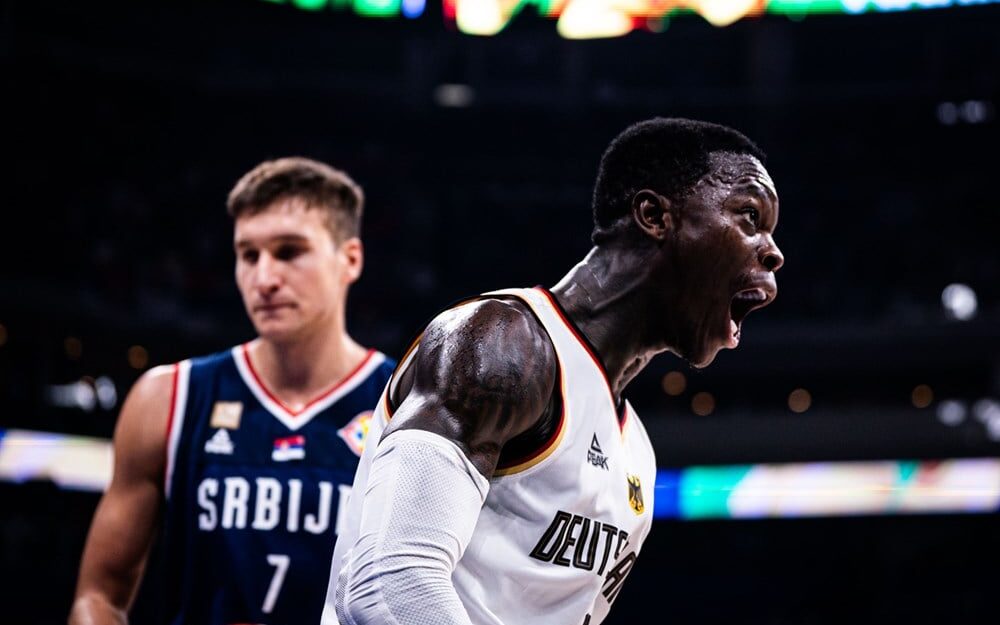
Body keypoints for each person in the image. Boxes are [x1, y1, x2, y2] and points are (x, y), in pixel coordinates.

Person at [325, 118, 784, 625]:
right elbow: (388, 583)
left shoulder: (637, 452)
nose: (773, 251)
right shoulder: (500, 346)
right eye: (749, 217)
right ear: (654, 215)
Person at [70, 157, 396, 625]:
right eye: (248, 255)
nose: (264, 279)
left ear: (350, 259)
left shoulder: (401, 406)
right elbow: (98, 595)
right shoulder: (169, 397)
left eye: (288, 252)